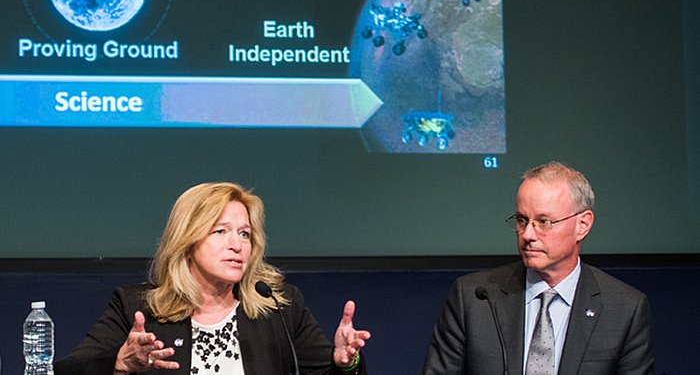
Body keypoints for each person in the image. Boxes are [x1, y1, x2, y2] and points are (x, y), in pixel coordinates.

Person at [55, 182, 371, 375]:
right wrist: (121, 363)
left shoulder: (278, 307)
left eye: (245, 234)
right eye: (220, 231)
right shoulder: (138, 308)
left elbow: (330, 372)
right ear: (188, 241)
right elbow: (66, 371)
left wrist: (345, 365)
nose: (237, 245)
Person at [423, 162, 655, 374]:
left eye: (544, 222)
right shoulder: (473, 299)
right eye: (522, 220)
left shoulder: (624, 309)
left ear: (582, 225)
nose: (528, 235)